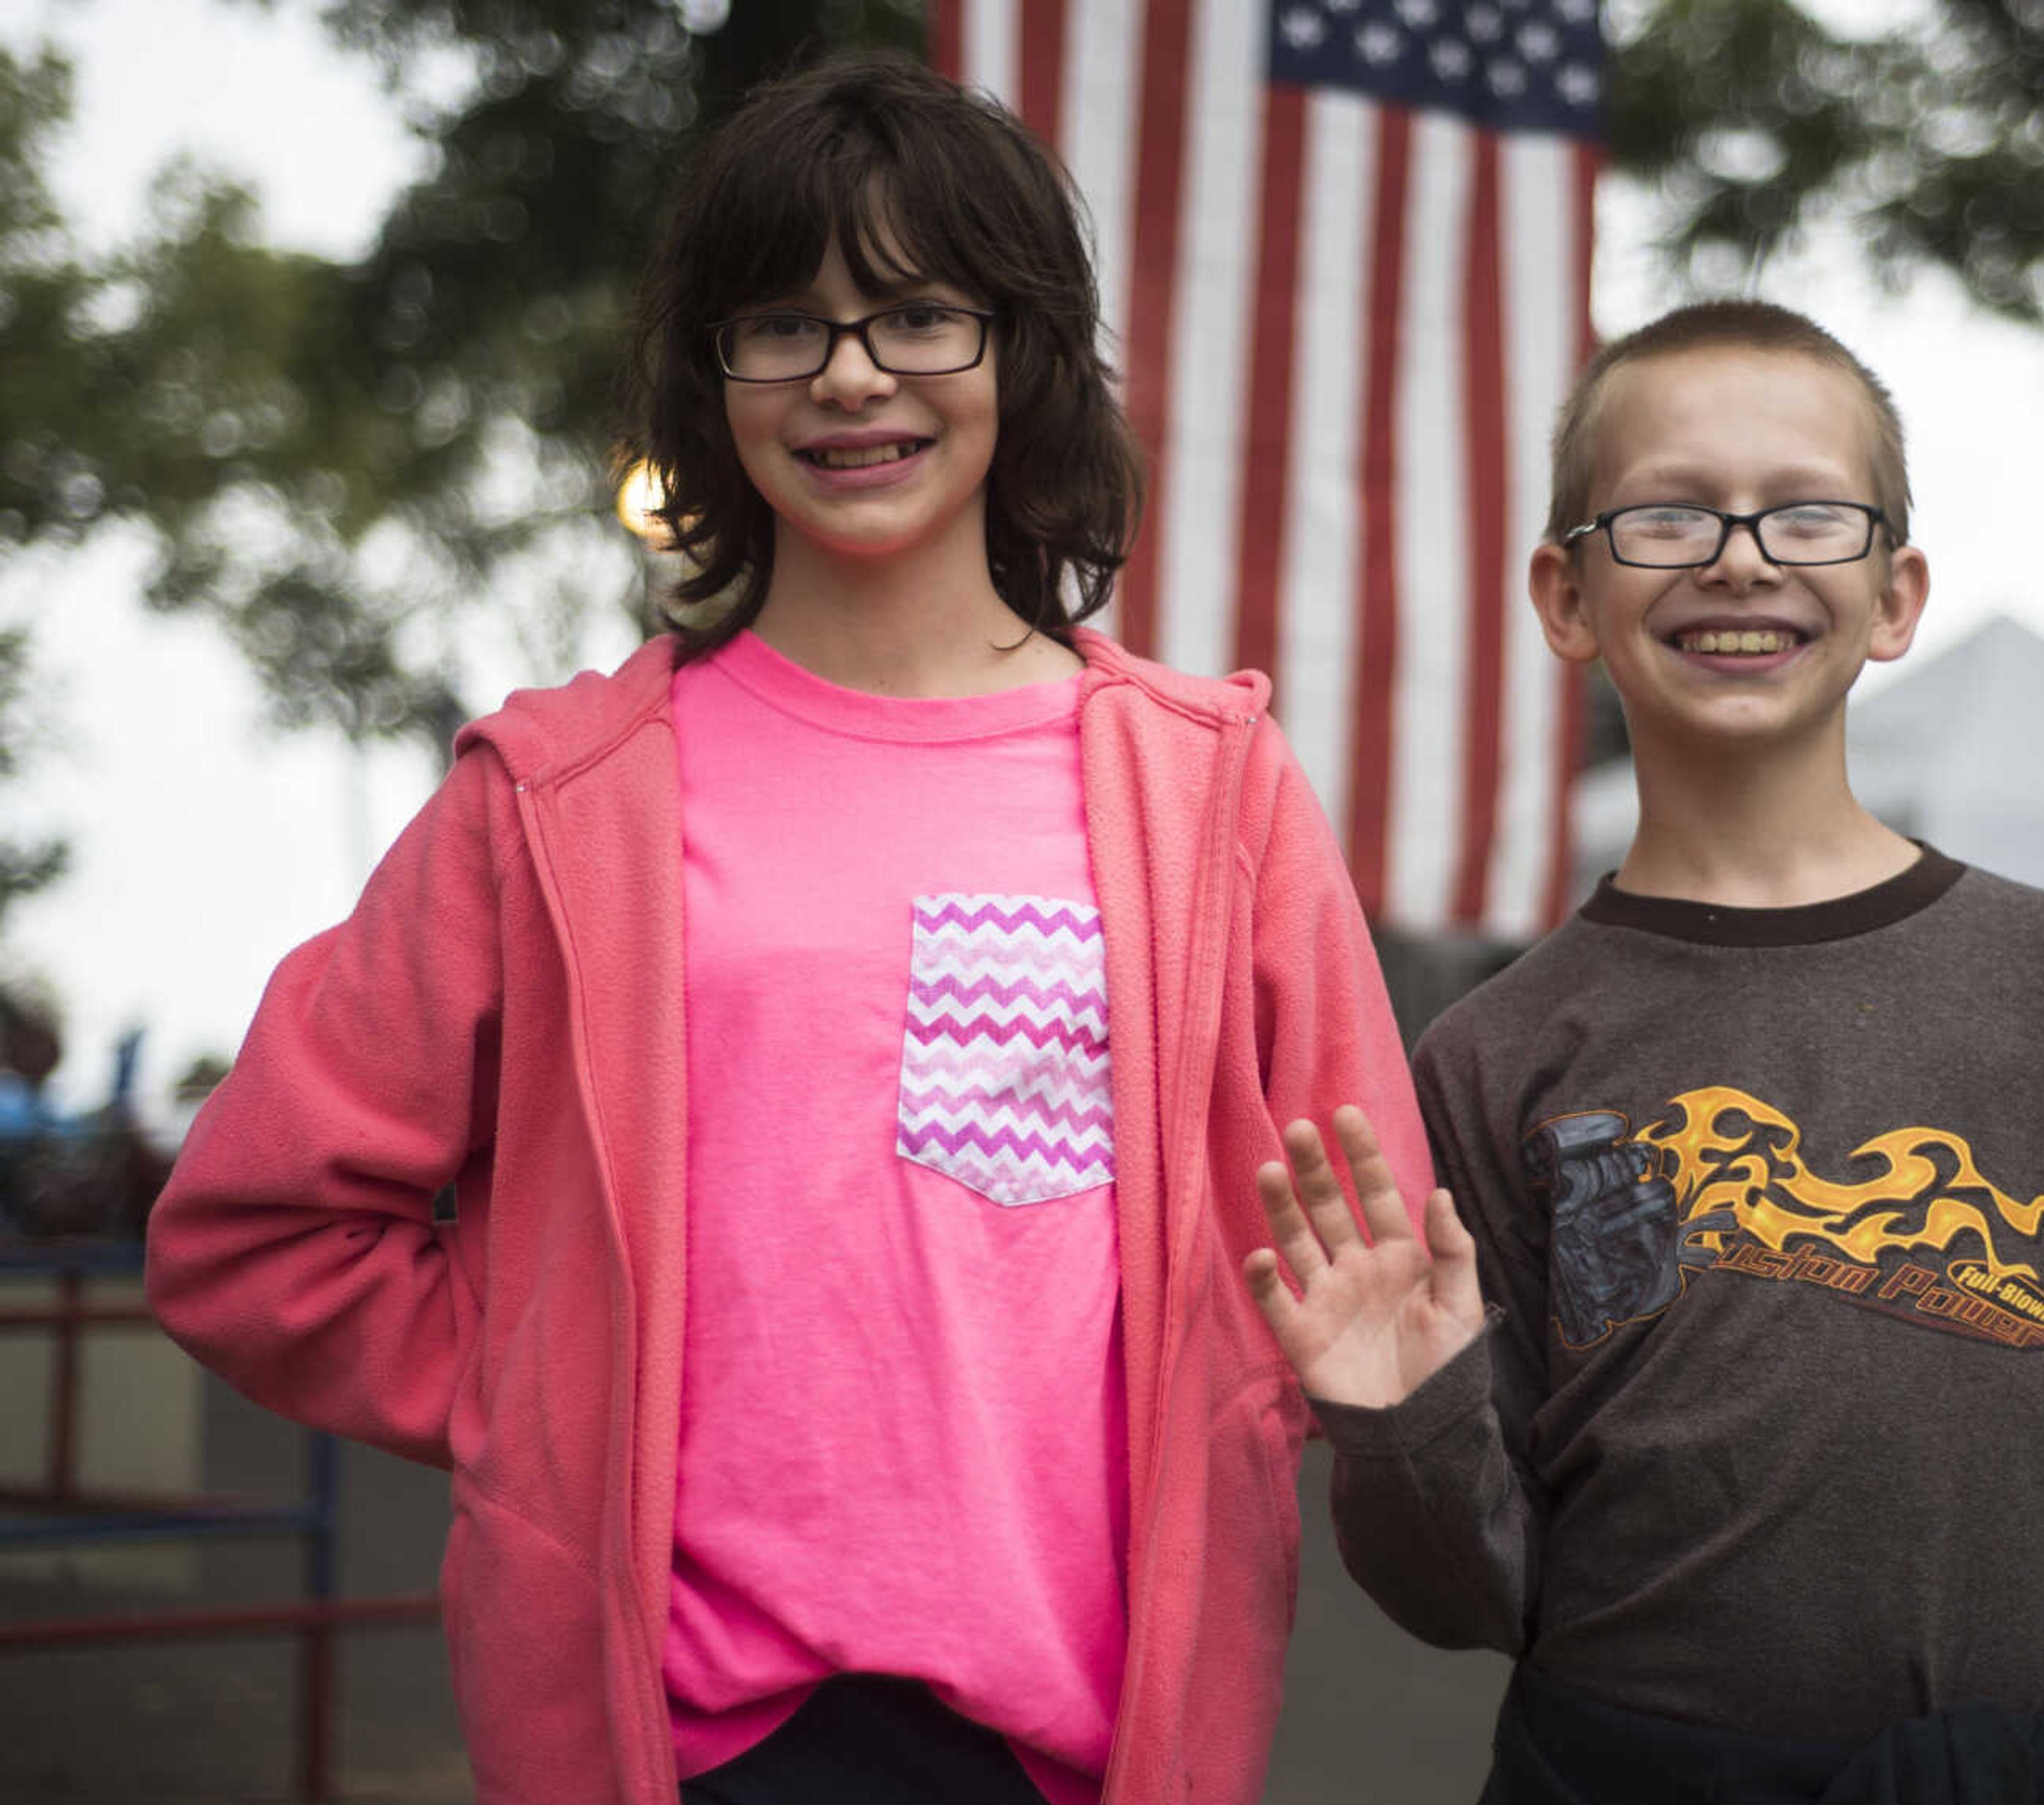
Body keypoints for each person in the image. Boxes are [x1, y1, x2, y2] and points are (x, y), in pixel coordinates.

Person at [146, 54, 1431, 1805]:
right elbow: (251, 1234)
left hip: (1087, 1739)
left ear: (1025, 352)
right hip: (680, 1739)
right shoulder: (558, 794)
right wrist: (547, 1397)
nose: (847, 373)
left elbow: (1359, 1251)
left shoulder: (1214, 791)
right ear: (716, 373)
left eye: (916, 314)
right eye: (783, 322)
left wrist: (1293, 1401)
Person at [1244, 301, 2044, 1804]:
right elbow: (1476, 1595)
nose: (1740, 555)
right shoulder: (1491, 1054)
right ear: (1567, 593)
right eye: (1667, 513)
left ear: (1895, 591)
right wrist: (1401, 1430)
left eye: (1807, 512)